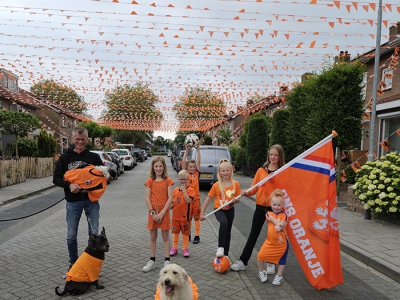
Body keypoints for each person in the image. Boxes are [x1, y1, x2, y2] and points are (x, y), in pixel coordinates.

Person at [53, 127, 103, 272]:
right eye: (77, 139)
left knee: (93, 234)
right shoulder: (65, 157)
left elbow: (102, 176)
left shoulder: (94, 157)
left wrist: (96, 184)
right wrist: (69, 185)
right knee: (71, 235)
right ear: (72, 139)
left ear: (87, 140)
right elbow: (56, 178)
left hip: (91, 201)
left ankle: (89, 264)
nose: (80, 142)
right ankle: (73, 264)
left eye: (83, 139)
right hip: (73, 201)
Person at [231, 144, 285, 275]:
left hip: (275, 210)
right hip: (260, 207)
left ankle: (271, 262)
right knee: (253, 235)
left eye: (276, 155)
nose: (273, 157)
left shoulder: (283, 171)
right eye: (271, 154)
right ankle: (243, 261)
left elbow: (283, 191)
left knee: (273, 236)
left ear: (280, 157)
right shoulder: (261, 170)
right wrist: (246, 193)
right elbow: (254, 187)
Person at [200, 159, 242, 257]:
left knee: (228, 232)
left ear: (231, 171)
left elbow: (238, 198)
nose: (226, 172)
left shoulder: (236, 184)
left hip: (230, 210)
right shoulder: (216, 185)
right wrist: (202, 212)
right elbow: (208, 199)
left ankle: (226, 255)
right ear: (219, 172)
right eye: (223, 171)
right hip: (218, 209)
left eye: (228, 170)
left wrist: (236, 200)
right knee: (224, 223)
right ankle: (220, 247)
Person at [143, 157, 174, 272]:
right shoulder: (150, 181)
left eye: (160, 166)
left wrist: (162, 212)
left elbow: (170, 198)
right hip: (153, 213)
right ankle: (152, 259)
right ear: (153, 167)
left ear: (164, 167)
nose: (158, 168)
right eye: (156, 166)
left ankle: (167, 260)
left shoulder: (168, 180)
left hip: (164, 213)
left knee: (165, 237)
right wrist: (152, 212)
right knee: (152, 237)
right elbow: (147, 198)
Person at [257, 189, 288, 285]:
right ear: (270, 203)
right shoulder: (268, 214)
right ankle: (261, 272)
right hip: (269, 242)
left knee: (282, 260)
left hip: (281, 243)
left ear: (282, 205)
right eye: (274, 204)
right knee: (260, 256)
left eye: (279, 205)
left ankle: (279, 276)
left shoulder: (284, 215)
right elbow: (271, 219)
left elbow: (284, 225)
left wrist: (280, 226)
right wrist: (278, 224)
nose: (276, 207)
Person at [170, 170, 195, 258]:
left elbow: (188, 200)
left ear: (188, 179)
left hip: (185, 217)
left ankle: (185, 248)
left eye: (185, 179)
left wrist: (184, 191)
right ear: (179, 180)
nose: (183, 181)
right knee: (175, 232)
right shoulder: (176, 190)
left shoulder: (191, 190)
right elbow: (173, 202)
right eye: (181, 179)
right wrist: (170, 205)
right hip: (175, 217)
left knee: (185, 233)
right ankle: (174, 248)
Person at [182, 143, 201, 244]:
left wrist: (198, 150)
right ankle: (188, 233)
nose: (193, 168)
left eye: (194, 167)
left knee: (196, 218)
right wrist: (186, 150)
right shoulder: (185, 174)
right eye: (191, 167)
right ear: (187, 168)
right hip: (187, 199)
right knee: (188, 218)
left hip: (196, 199)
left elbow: (198, 161)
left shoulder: (197, 174)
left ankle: (197, 236)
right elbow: (183, 162)